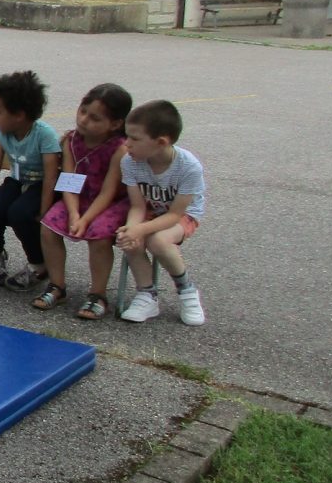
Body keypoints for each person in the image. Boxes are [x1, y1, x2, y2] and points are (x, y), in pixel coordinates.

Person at [34, 83, 133, 319]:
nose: (84, 120)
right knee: (48, 227)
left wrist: (85, 219)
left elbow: (108, 192)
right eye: (83, 111)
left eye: (95, 118)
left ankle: (98, 294)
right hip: (78, 199)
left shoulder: (120, 149)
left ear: (115, 124)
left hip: (109, 203)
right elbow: (69, 180)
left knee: (99, 235)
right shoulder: (71, 141)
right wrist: (74, 214)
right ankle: (57, 286)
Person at [116, 100, 207, 326]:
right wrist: (131, 230)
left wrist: (140, 229)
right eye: (127, 136)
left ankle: (187, 291)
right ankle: (147, 295)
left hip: (183, 215)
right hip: (151, 210)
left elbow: (175, 215)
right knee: (131, 240)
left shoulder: (189, 167)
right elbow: (137, 206)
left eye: (135, 139)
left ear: (161, 142)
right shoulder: (130, 162)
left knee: (158, 240)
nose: (127, 143)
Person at [0, 70, 61, 293]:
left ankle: (38, 264)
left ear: (19, 115)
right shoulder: (2, 133)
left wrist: (44, 210)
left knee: (21, 214)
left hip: (39, 186)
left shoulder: (44, 135)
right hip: (16, 181)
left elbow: (51, 176)